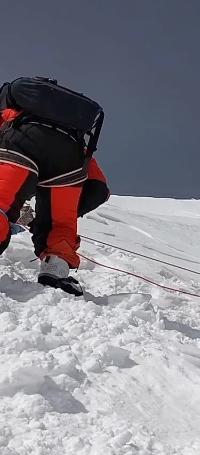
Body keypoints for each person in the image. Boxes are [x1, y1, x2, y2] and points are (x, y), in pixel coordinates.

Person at [0, 77, 108, 295]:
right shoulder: (72, 129)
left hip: (22, 140)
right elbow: (99, 189)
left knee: (2, 201)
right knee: (61, 223)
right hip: (71, 159)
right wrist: (45, 219)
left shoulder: (15, 104)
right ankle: (56, 271)